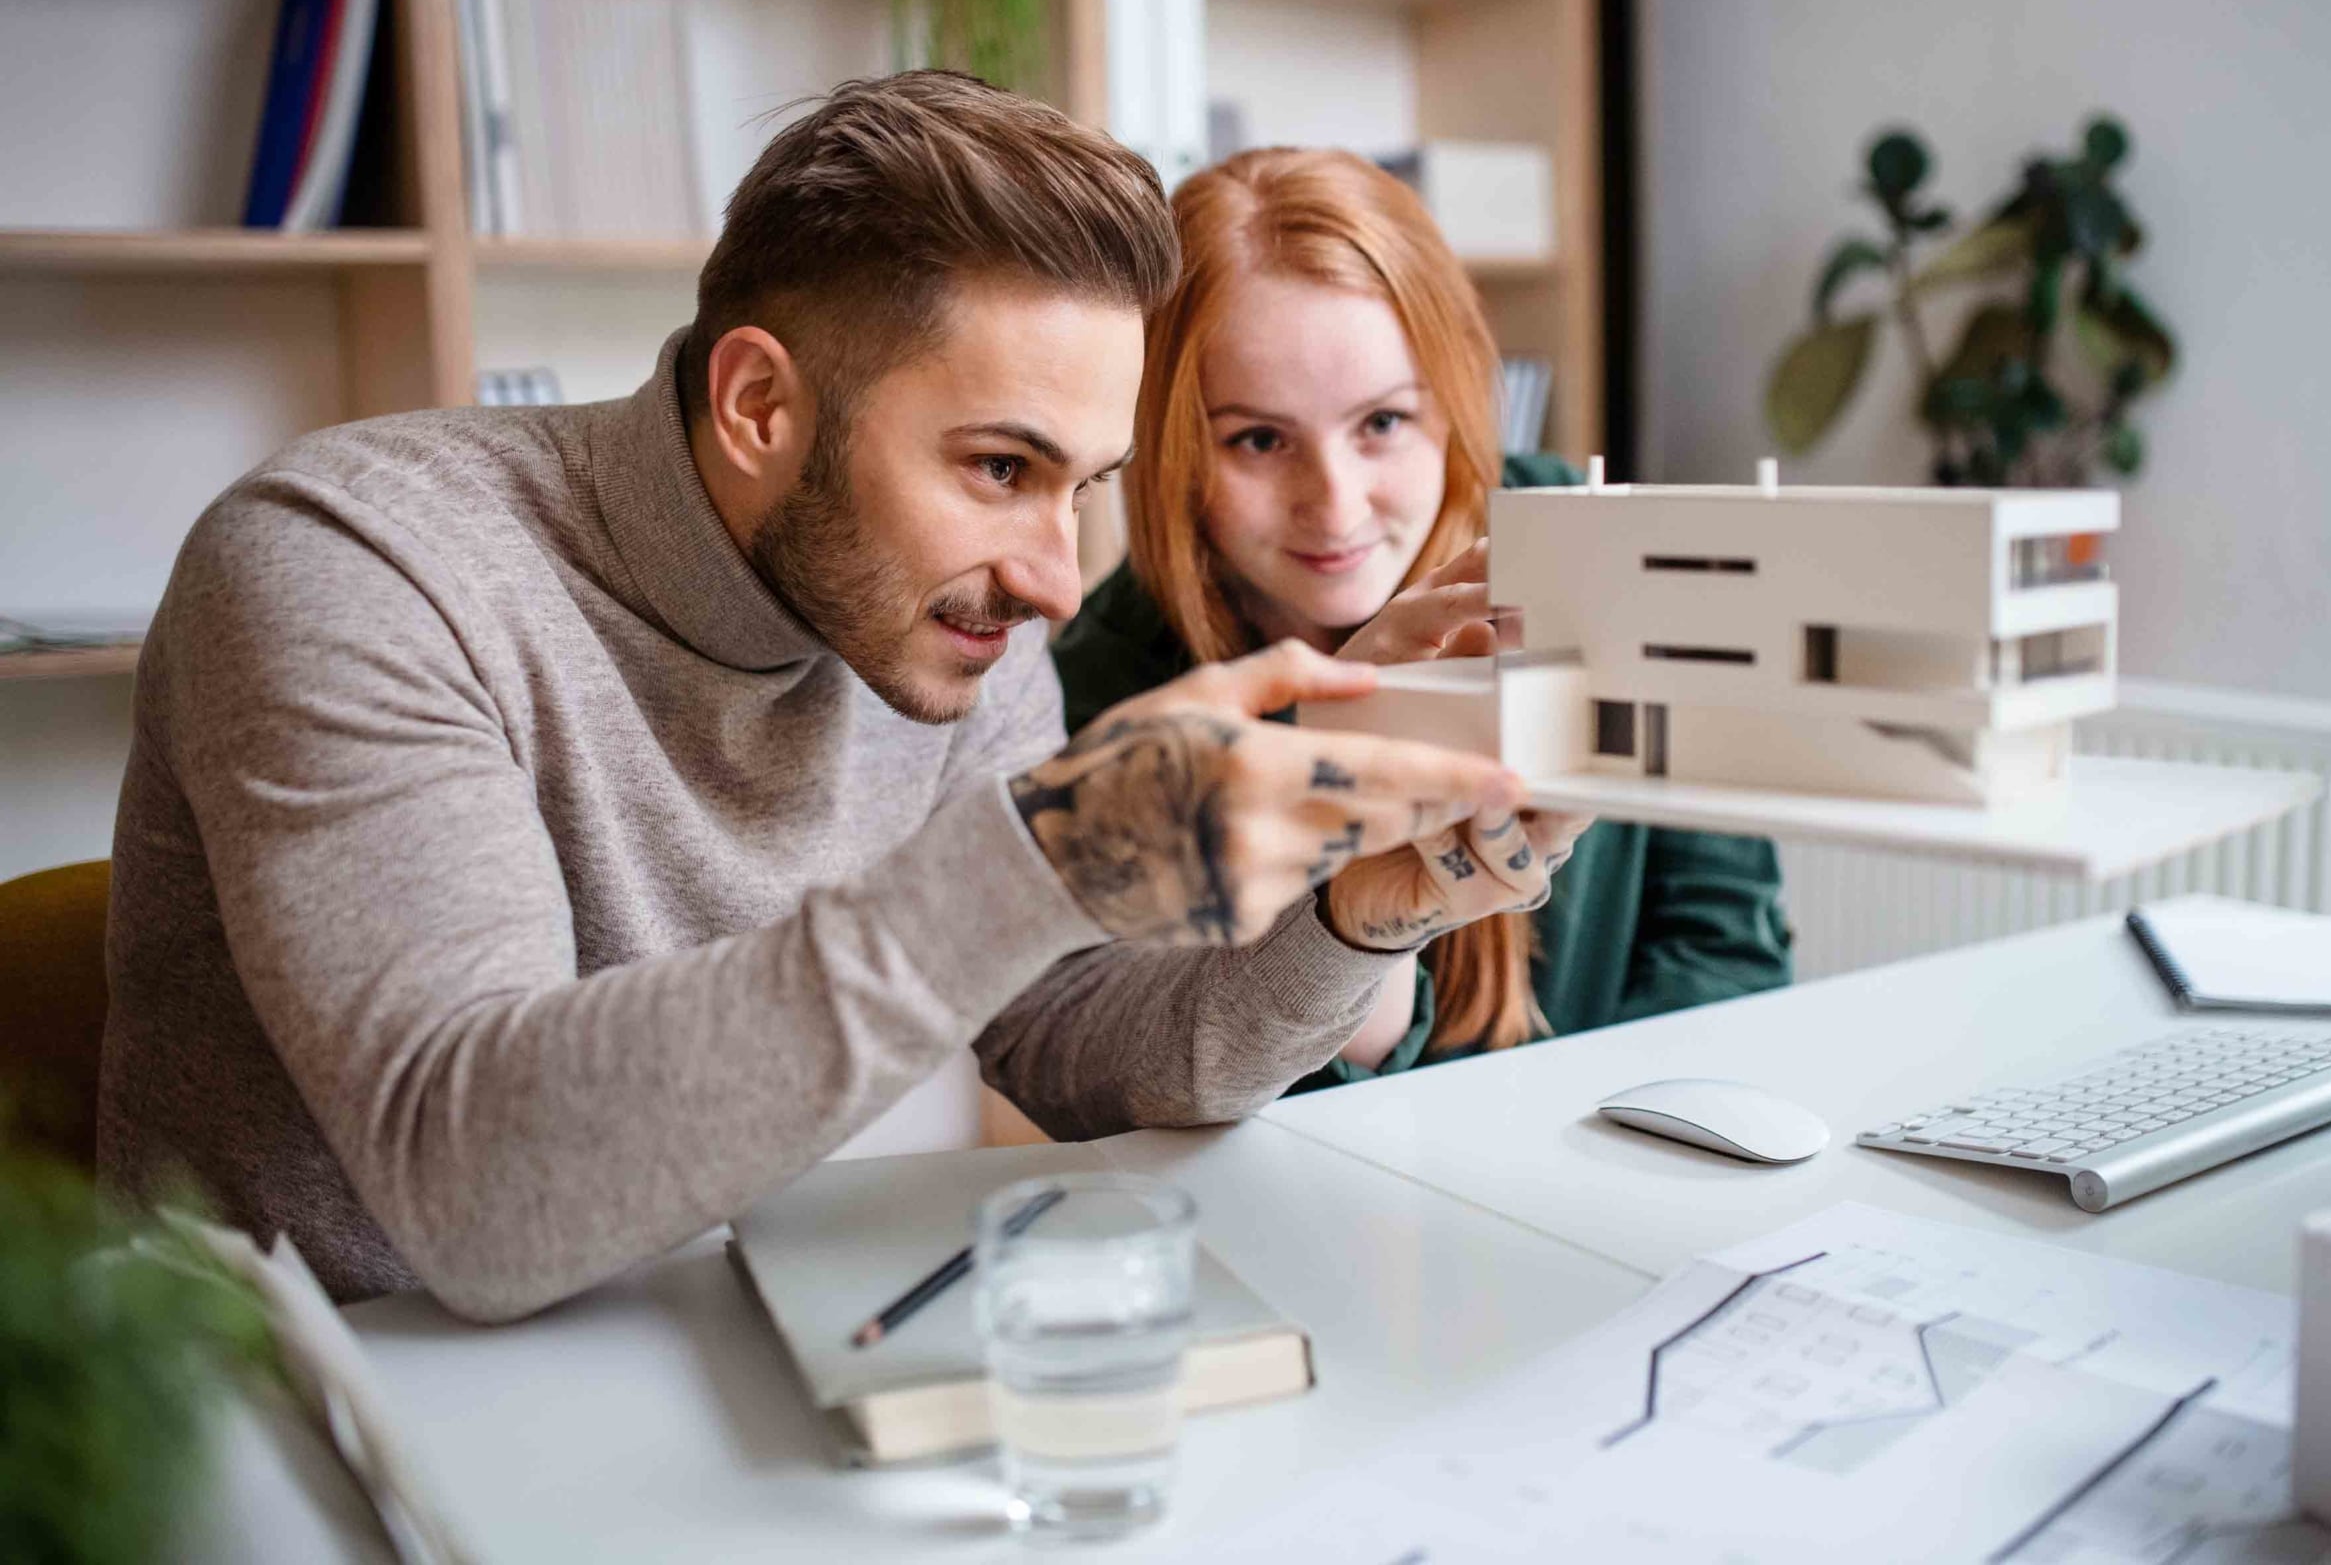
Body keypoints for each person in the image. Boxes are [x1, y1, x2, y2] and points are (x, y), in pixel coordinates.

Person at [96, 75, 1569, 1320]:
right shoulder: (357, 568)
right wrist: (1052, 853)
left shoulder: (949, 615)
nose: (1060, 577)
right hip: (279, 1408)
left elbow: (1070, 1042)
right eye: (1000, 467)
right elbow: (472, 1189)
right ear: (759, 405)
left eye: (1085, 484)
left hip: (697, 1345)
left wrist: (1354, 913)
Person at [1052, 148, 1792, 1091]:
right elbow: (1188, 1091)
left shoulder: (1599, 551)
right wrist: (1350, 894)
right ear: (1173, 448)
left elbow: (1730, 956)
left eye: (1383, 424)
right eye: (1259, 439)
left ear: (1454, 401)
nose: (1337, 503)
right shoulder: (1114, 697)